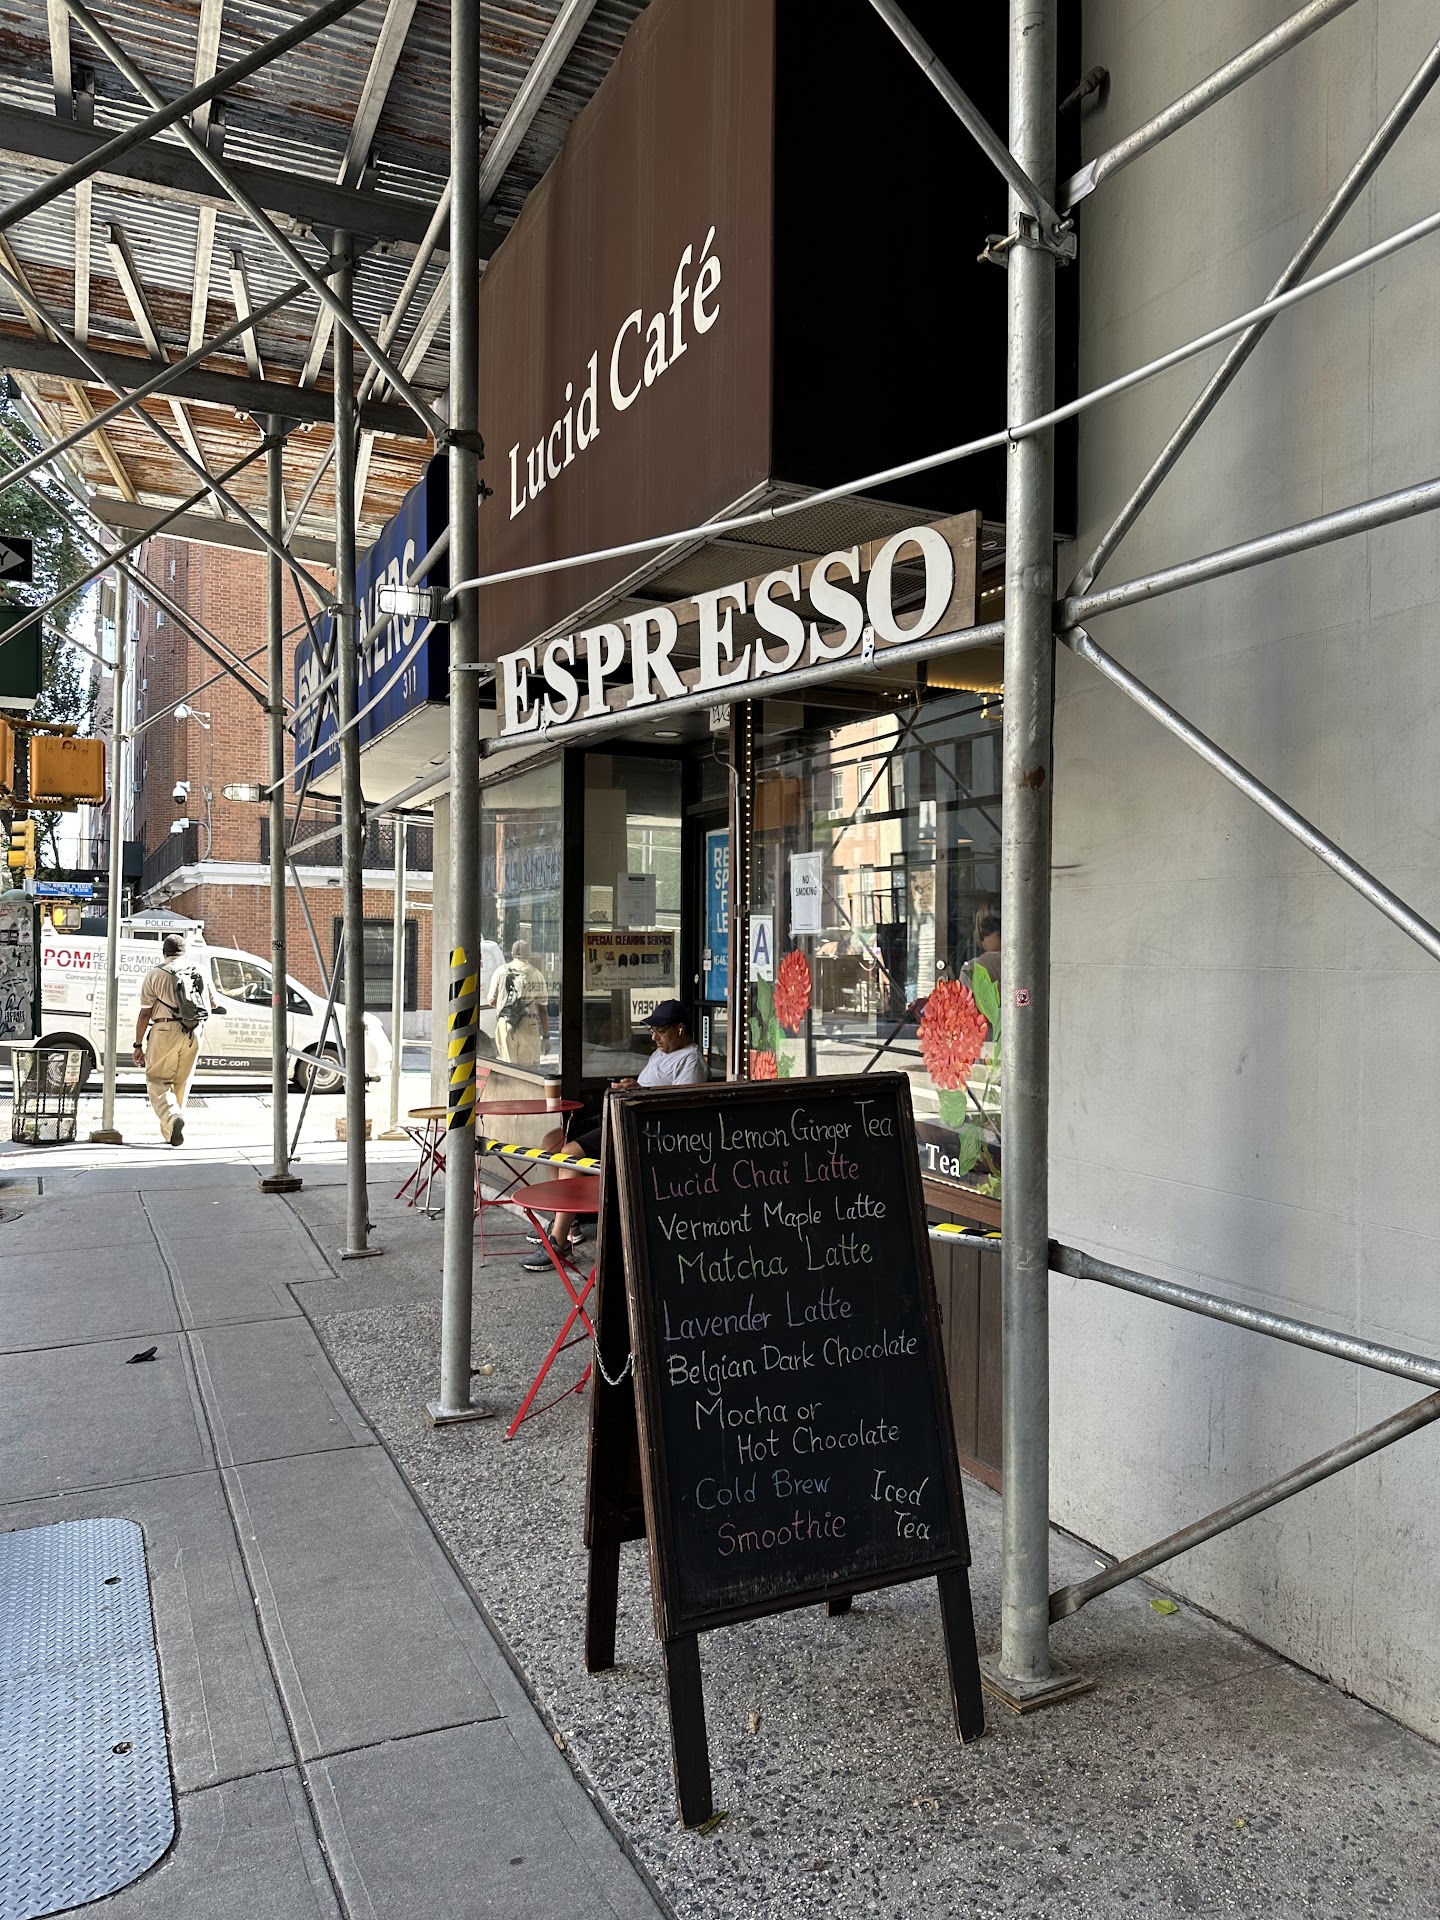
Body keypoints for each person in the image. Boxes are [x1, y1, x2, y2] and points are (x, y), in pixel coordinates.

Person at [521, 1000, 705, 1271]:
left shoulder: (691, 1061)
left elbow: (677, 1109)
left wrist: (639, 1090)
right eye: (652, 1031)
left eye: (661, 1031)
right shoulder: (661, 1053)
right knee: (552, 1141)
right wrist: (630, 1087)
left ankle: (559, 1243)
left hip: (640, 1127)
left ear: (680, 1029)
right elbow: (650, 1086)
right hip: (619, 1111)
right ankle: (567, 1219)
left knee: (570, 1154)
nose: (654, 1038)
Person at [132, 933, 215, 1146]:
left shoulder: (155, 974)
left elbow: (145, 1013)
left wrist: (138, 1044)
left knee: (157, 1081)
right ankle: (171, 1133)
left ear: (164, 952)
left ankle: (173, 1118)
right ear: (184, 951)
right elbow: (213, 1004)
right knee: (181, 1082)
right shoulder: (200, 971)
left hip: (165, 1031)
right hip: (194, 1031)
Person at [486, 938, 549, 1067]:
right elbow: (543, 1009)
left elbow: (491, 1000)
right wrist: (546, 1037)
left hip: (506, 1023)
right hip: (529, 1024)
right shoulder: (537, 975)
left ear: (512, 954)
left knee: (509, 1067)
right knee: (530, 1068)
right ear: (528, 954)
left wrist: (509, 1007)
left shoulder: (500, 971)